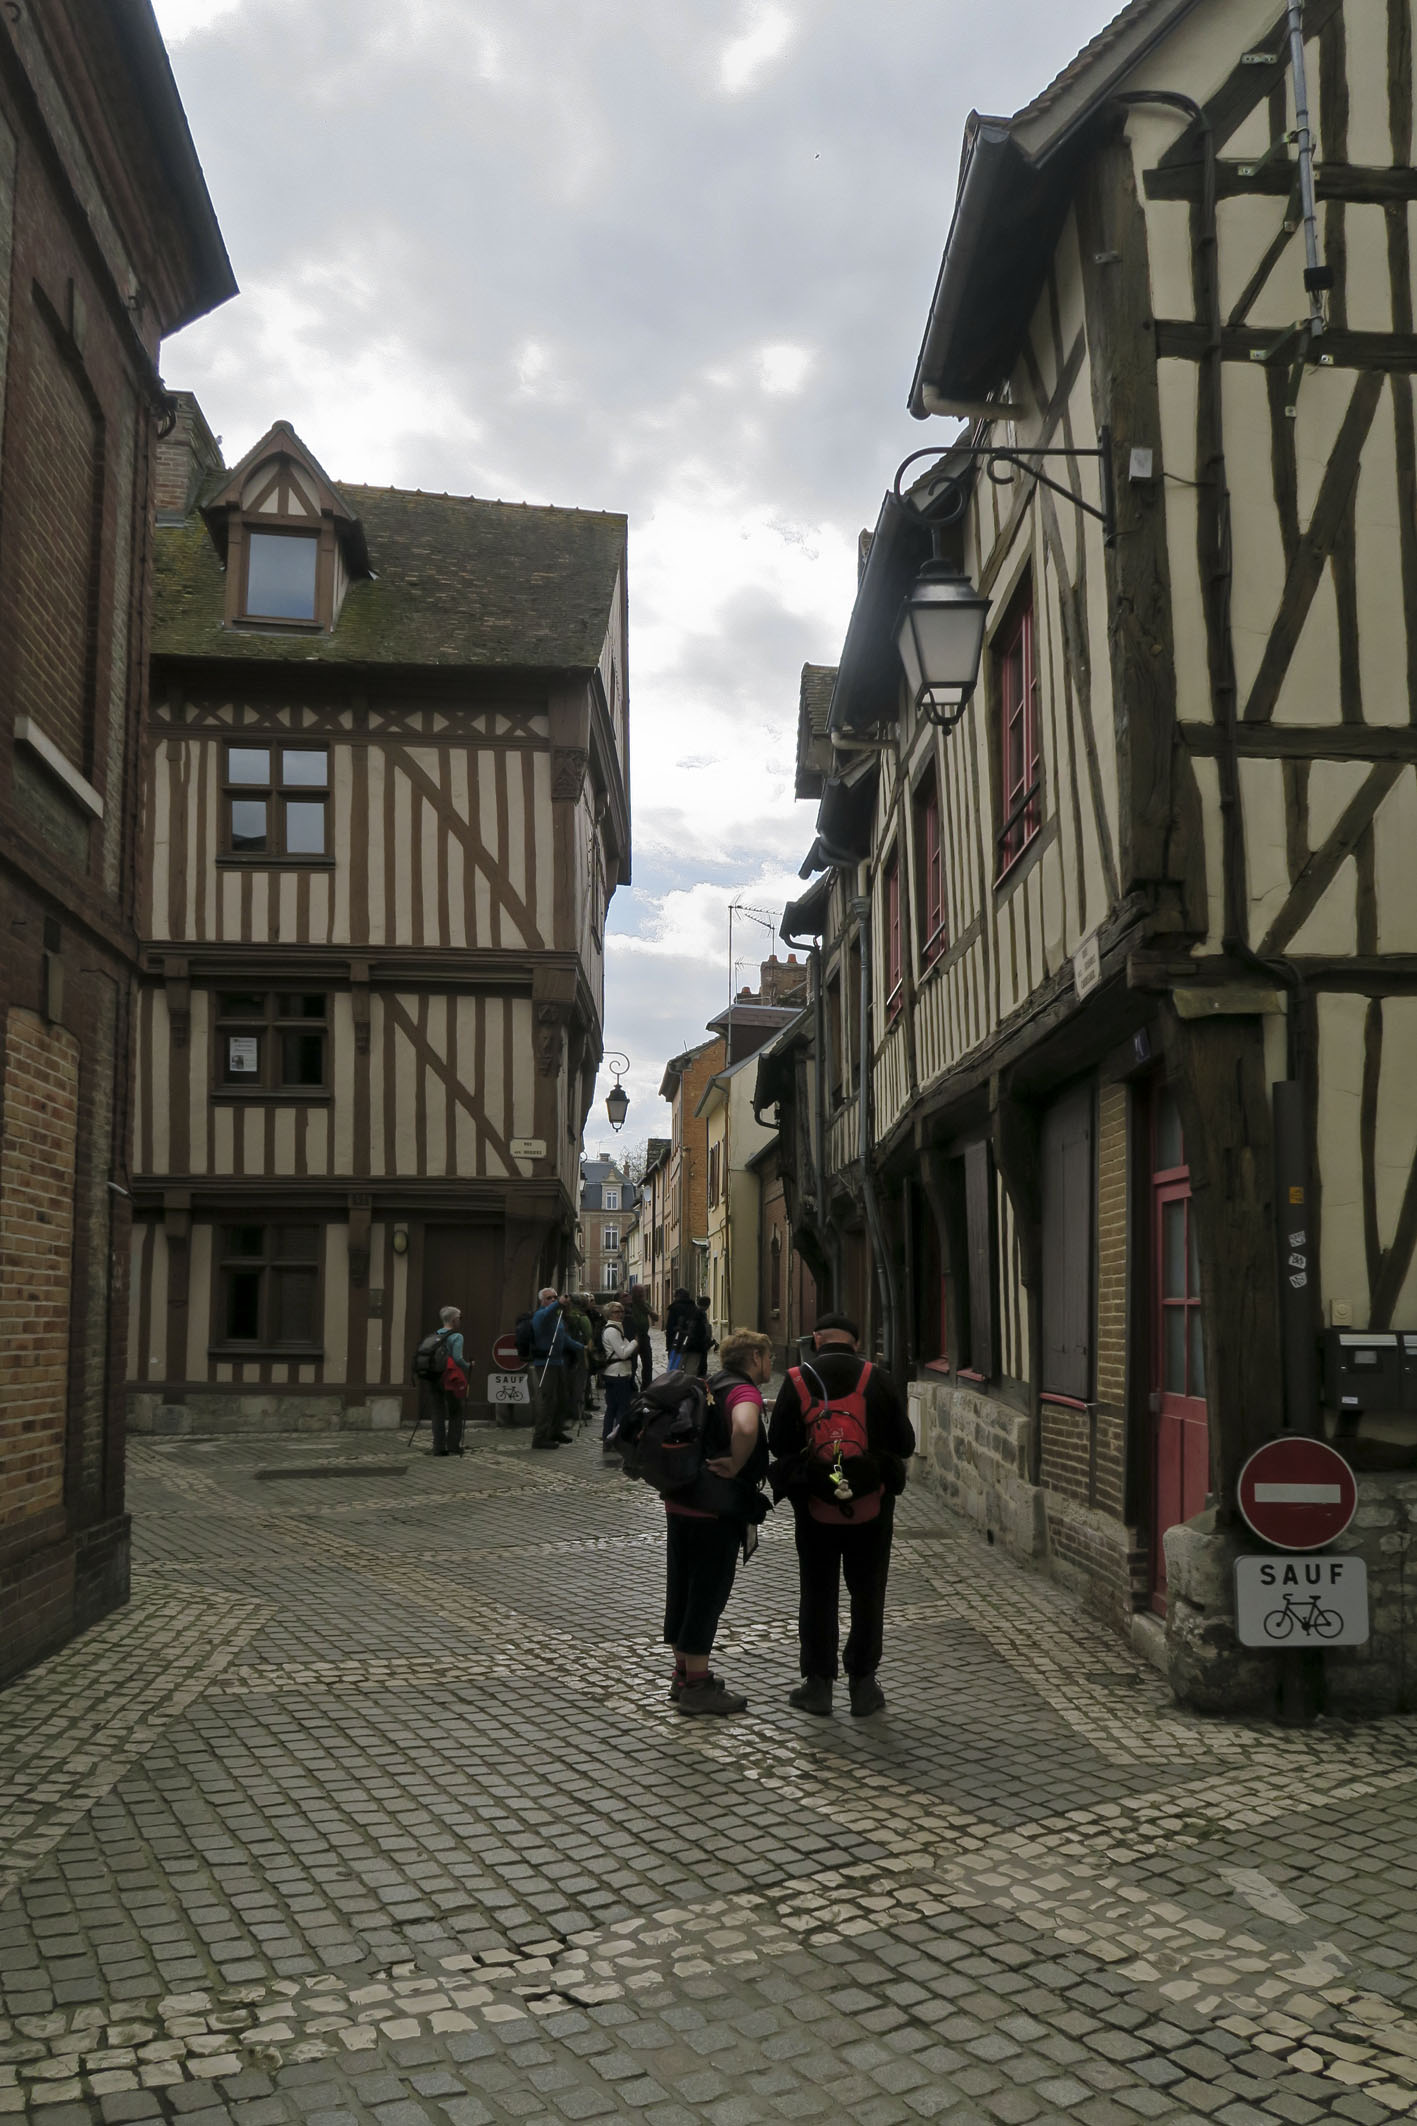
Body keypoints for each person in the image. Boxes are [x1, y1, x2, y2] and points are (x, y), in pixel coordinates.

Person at [768, 1312, 914, 1718]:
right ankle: (863, 1685)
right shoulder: (878, 1378)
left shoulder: (797, 1379)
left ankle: (818, 1686)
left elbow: (778, 1442)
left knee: (817, 1591)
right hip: (872, 1504)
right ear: (856, 1342)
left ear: (816, 1339)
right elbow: (904, 1443)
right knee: (868, 1592)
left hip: (815, 1505)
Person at [664, 1327, 772, 1716]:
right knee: (707, 1595)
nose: (770, 1364)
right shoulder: (744, 1392)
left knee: (682, 1588)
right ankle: (698, 1686)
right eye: (769, 1358)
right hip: (715, 1509)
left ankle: (682, 1675)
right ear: (755, 1358)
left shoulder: (711, 1383)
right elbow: (744, 1426)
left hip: (681, 1501)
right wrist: (738, 1463)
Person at [529, 1287, 584, 1451]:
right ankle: (540, 1437)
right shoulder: (541, 1315)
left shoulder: (556, 1316)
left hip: (558, 1362)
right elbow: (547, 1314)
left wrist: (581, 1347)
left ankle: (555, 1431)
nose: (552, 1300)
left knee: (561, 1399)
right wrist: (558, 1303)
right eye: (549, 1298)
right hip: (545, 1363)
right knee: (547, 1401)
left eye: (554, 1297)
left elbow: (563, 1338)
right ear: (541, 1301)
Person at [417, 1304, 466, 1457]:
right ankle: (453, 1446)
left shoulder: (434, 1335)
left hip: (433, 1377)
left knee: (437, 1412)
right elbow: (457, 1358)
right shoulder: (457, 1336)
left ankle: (438, 1447)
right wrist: (468, 1365)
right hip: (449, 1378)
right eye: (460, 1318)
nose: (460, 1320)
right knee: (455, 1410)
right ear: (454, 1319)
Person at [599, 1301, 638, 1452]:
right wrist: (635, 1342)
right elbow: (623, 1353)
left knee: (613, 1408)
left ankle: (609, 1439)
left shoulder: (616, 1328)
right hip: (617, 1374)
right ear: (609, 1314)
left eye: (621, 1311)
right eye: (616, 1312)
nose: (620, 1314)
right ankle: (615, 1440)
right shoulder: (612, 1331)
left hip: (617, 1373)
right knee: (620, 1409)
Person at [624, 1285, 656, 1389]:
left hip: (644, 1336)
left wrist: (648, 1310)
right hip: (632, 1336)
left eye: (642, 1292)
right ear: (633, 1293)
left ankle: (647, 1386)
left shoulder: (645, 1304)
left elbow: (656, 1318)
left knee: (648, 1362)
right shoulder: (630, 1305)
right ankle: (631, 1384)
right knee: (633, 1363)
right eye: (639, 1292)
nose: (641, 1294)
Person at [682, 1296, 714, 1377]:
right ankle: (699, 1377)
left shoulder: (694, 1311)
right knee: (699, 1363)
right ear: (707, 1305)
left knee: (695, 1363)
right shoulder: (700, 1313)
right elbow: (703, 1328)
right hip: (698, 1343)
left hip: (694, 1342)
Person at [664, 1287, 694, 1371]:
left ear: (677, 1296)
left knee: (674, 1369)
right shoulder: (694, 1307)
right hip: (692, 1344)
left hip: (676, 1344)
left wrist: (669, 1346)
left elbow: (670, 1327)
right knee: (690, 1371)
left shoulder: (674, 1308)